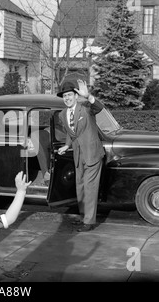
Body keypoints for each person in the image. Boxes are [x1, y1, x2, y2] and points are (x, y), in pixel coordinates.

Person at [57, 79, 105, 232]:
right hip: (78, 155)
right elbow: (72, 134)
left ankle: (89, 222)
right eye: (64, 96)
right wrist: (66, 145)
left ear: (76, 96)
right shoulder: (62, 114)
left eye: (70, 95)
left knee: (90, 187)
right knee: (80, 187)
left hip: (92, 154)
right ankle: (84, 216)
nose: (67, 98)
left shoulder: (85, 108)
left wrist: (88, 95)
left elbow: (99, 107)